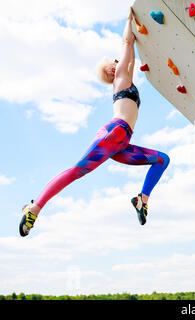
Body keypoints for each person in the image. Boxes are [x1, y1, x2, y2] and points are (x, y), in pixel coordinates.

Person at [19, 8, 170, 237]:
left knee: (162, 159)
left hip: (121, 143)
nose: (121, 63)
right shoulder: (120, 78)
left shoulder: (124, 79)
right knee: (77, 170)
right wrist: (130, 18)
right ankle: (35, 208)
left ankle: (142, 199)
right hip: (115, 133)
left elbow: (130, 59)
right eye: (116, 62)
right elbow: (127, 43)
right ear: (112, 69)